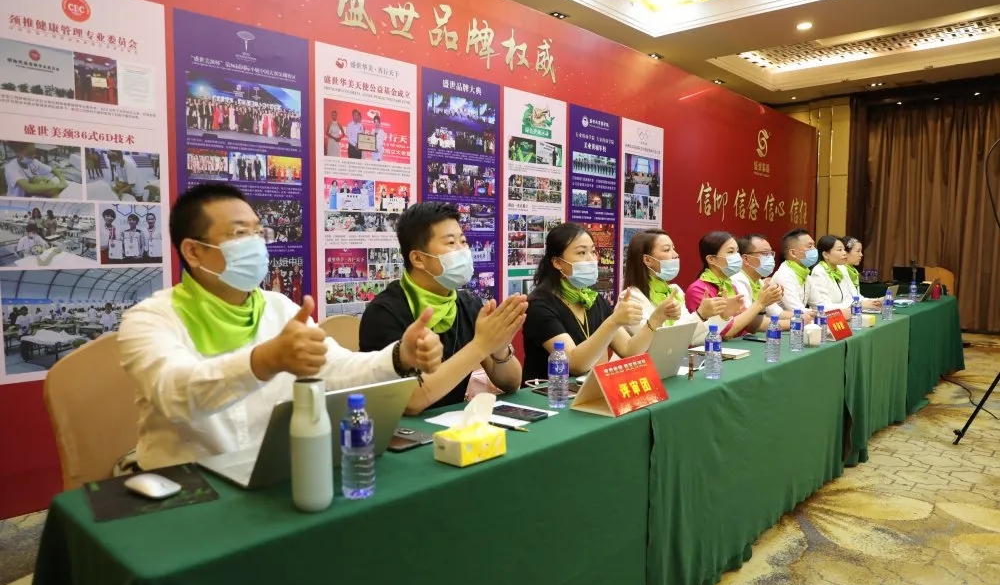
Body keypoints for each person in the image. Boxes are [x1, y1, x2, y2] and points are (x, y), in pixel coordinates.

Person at [117, 183, 444, 470]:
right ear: (193, 251)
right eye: (239, 234)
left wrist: (400, 356)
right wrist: (264, 361)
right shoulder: (150, 319)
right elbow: (175, 393)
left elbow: (336, 370)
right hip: (188, 485)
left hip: (271, 473)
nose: (255, 243)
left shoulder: (279, 308)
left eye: (258, 232)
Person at [360, 202, 525, 414]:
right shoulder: (384, 312)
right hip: (395, 428)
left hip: (453, 426)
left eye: (463, 241)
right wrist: (481, 345)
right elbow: (411, 400)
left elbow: (512, 383)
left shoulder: (468, 304)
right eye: (451, 243)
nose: (463, 251)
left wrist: (499, 346)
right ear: (418, 258)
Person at [521, 223, 653, 383]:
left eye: (593, 251)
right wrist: (614, 321)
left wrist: (656, 319)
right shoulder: (540, 305)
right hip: (549, 392)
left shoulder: (593, 299)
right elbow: (574, 364)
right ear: (557, 262)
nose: (592, 259)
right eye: (582, 253)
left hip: (589, 389)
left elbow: (628, 349)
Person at [620, 230, 726, 346]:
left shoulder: (674, 291)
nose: (675, 254)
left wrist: (723, 317)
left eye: (673, 248)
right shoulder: (631, 297)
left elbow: (691, 339)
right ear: (647, 260)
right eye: (667, 250)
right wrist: (700, 315)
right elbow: (658, 344)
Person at [685, 231, 782, 340]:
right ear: (711, 259)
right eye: (731, 252)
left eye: (737, 251)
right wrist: (760, 303)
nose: (737, 257)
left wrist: (763, 305)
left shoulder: (730, 285)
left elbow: (751, 328)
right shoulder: (698, 289)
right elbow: (723, 333)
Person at [731, 233, 812, 331]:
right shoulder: (737, 280)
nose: (770, 258)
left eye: (771, 253)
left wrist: (805, 316)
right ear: (746, 259)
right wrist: (796, 322)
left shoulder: (759, 282)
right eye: (765, 253)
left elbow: (777, 313)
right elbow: (752, 323)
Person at [807, 235, 881, 313]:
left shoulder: (842, 269)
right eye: (840, 250)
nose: (844, 253)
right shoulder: (818, 272)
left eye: (844, 249)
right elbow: (824, 306)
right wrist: (856, 305)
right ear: (826, 255)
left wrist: (876, 301)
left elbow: (852, 297)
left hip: (846, 314)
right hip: (826, 317)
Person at [772, 228, 818, 314]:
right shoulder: (784, 275)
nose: (814, 249)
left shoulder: (805, 274)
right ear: (793, 253)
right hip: (781, 322)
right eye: (809, 246)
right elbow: (797, 310)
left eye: (814, 246)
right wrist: (821, 313)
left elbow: (819, 305)